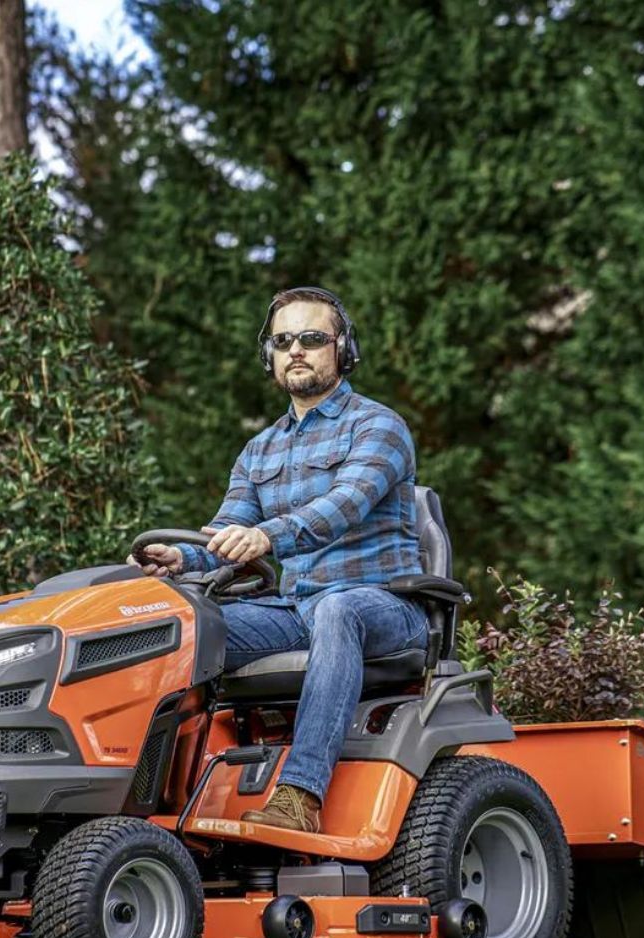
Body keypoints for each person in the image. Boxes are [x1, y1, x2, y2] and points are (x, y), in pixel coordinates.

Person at [130, 286, 426, 832]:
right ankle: (149, 793)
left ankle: (300, 797)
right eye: (282, 340)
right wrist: (180, 558)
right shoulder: (260, 449)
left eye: (312, 338)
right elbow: (225, 533)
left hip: (387, 607)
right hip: (295, 612)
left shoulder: (379, 427)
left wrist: (266, 537)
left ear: (343, 350)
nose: (296, 350)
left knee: (340, 610)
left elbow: (342, 507)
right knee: (184, 625)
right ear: (269, 355)